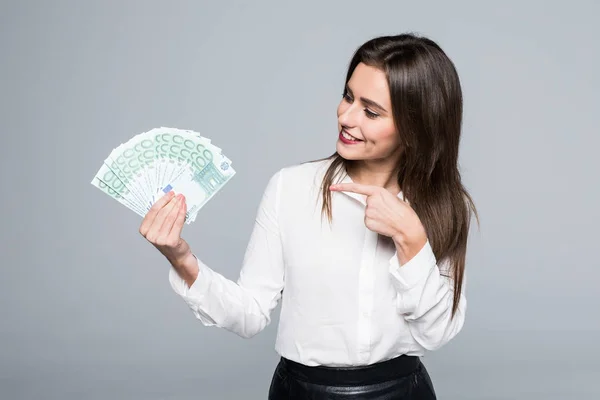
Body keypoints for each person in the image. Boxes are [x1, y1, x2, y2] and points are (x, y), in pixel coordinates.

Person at [139, 32, 478, 399]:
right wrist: (181, 258)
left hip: (400, 391)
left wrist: (412, 239)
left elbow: (437, 333)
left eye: (371, 111)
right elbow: (250, 314)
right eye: (348, 96)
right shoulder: (291, 187)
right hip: (300, 391)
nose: (346, 117)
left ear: (415, 127)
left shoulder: (441, 204)